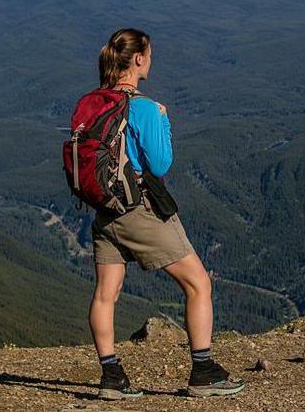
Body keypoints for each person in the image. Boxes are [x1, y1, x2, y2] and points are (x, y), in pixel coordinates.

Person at [88, 28, 245, 400]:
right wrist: (164, 120)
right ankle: (203, 371)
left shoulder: (95, 101)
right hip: (139, 208)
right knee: (198, 283)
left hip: (104, 210)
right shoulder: (143, 107)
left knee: (106, 294)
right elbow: (160, 164)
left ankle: (111, 377)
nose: (151, 61)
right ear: (139, 59)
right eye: (150, 55)